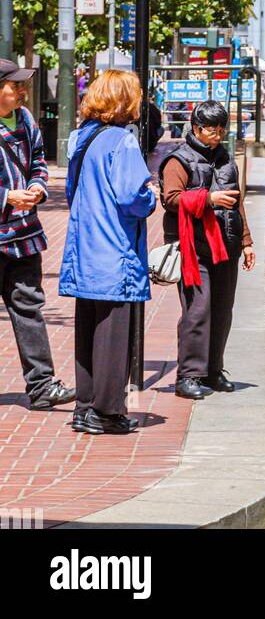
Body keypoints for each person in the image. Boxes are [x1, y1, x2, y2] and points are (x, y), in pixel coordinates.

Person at [59, 70, 157, 436]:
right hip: (115, 251)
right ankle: (107, 410)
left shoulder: (81, 138)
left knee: (87, 332)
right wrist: (151, 196)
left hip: (84, 249)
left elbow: (72, 192)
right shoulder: (122, 141)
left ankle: (85, 408)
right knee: (114, 337)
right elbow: (133, 196)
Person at [158, 101, 255, 400]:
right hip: (193, 246)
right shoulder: (178, 160)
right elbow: (171, 198)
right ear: (196, 127)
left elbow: (237, 202)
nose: (217, 135)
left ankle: (213, 370)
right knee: (197, 310)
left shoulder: (226, 158)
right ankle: (188, 375)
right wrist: (209, 198)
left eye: (222, 129)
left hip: (226, 245)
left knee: (222, 309)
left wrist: (246, 241)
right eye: (212, 129)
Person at [0, 58, 75, 411]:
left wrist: (37, 189)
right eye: (15, 85)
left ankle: (43, 386)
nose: (22, 90)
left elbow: (40, 162)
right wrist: (6, 197)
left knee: (29, 308)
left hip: (24, 235)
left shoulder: (27, 120)